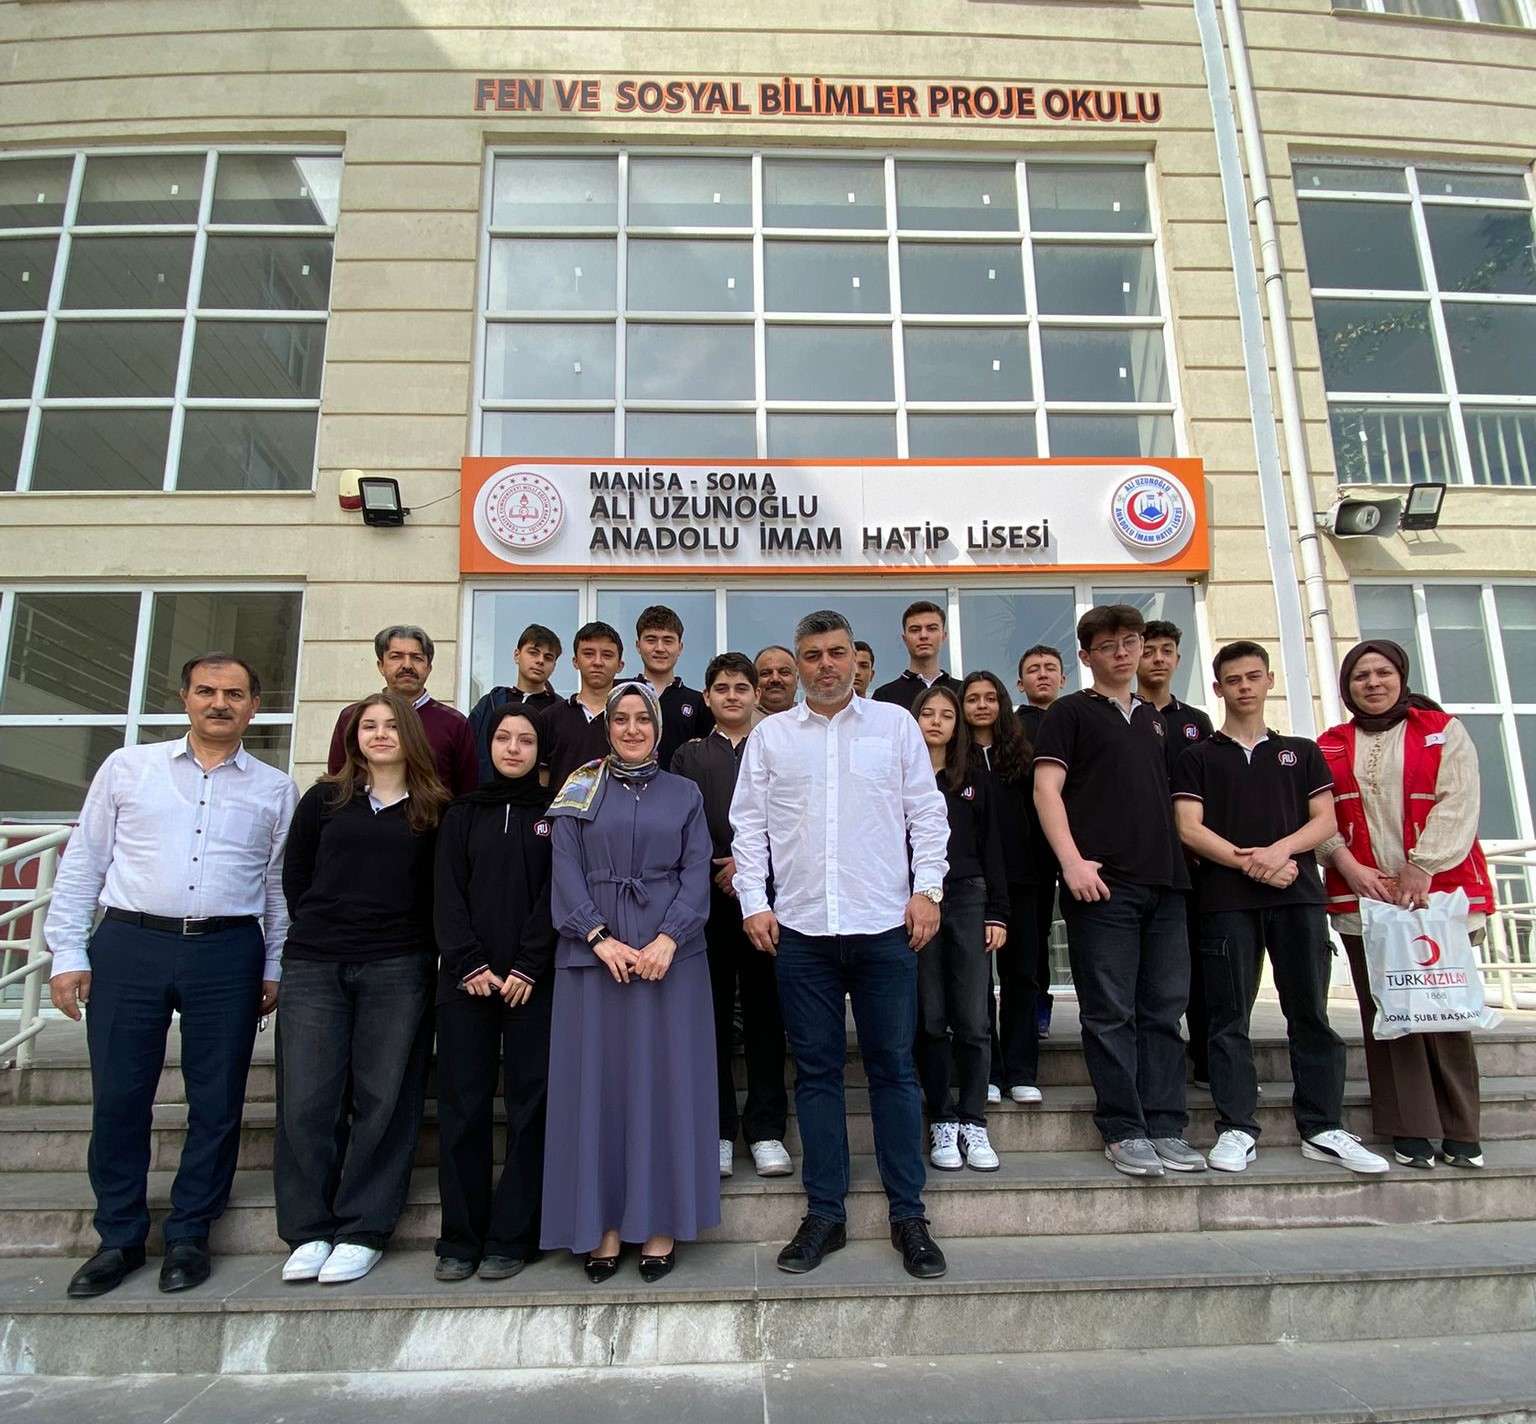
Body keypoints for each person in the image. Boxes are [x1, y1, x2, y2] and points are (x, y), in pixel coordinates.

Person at [46, 653, 296, 1300]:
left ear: (253, 706)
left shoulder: (274, 789)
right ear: (184, 697)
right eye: (207, 691)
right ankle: (119, 1236)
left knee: (216, 1100)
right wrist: (68, 952)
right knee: (121, 1095)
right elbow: (84, 863)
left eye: (234, 694)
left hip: (227, 949)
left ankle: (189, 1233)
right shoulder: (128, 768)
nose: (220, 703)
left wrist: (273, 965)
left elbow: (277, 888)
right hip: (130, 943)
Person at [732, 610, 950, 1280]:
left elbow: (926, 813)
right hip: (801, 932)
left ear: (856, 659)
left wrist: (928, 889)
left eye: (835, 653)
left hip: (885, 926)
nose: (825, 665)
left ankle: (909, 1216)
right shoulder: (770, 737)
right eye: (812, 655)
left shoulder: (895, 725)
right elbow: (748, 826)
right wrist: (754, 902)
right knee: (818, 1075)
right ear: (798, 664)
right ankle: (824, 1214)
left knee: (894, 1071)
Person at [1172, 642, 1388, 1175]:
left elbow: (1325, 822)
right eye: (1233, 680)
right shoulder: (1197, 757)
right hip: (1225, 903)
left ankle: (1323, 1126)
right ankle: (1237, 1128)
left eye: (1253, 676)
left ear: (1269, 681)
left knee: (1310, 1013)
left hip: (1297, 897)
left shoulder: (1301, 752)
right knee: (1227, 1019)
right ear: (1218, 689)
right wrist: (1252, 863)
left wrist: (1279, 852)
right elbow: (1189, 828)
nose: (1244, 687)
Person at [541, 682, 718, 1282]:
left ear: (658, 728)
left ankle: (661, 1220)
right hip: (596, 958)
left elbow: (696, 868)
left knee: (666, 1086)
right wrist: (597, 937)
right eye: (622, 719)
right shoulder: (579, 787)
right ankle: (604, 1224)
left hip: (671, 959)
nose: (633, 729)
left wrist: (670, 937)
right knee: (600, 1088)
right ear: (608, 727)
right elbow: (564, 867)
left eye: (644, 719)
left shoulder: (685, 792)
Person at [275, 692, 449, 1286]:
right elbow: (296, 874)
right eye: (367, 726)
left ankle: (362, 1229)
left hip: (398, 965)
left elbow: (439, 889)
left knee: (385, 1098)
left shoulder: (434, 807)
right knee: (307, 1099)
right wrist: (320, 925)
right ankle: (308, 1229)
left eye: (390, 725)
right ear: (353, 738)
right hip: (316, 965)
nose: (378, 734)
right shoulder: (324, 799)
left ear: (410, 735)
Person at [1033, 605, 1202, 1179]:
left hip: (1166, 885)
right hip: (1103, 888)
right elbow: (1046, 791)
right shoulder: (1070, 713)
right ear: (1086, 656)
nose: (1124, 653)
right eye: (1109, 646)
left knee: (1163, 1011)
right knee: (1109, 1013)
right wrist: (1071, 863)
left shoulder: (1156, 720)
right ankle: (1124, 1128)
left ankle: (1166, 1125)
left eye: (1131, 641)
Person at [1317, 640, 1493, 1171]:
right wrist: (1347, 865)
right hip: (1367, 901)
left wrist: (1423, 865)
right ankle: (1410, 1129)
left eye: (1382, 673)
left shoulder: (1442, 730)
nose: (1372, 683)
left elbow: (1458, 802)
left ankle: (1461, 1130)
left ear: (1401, 676)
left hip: (1434, 898)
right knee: (1387, 1014)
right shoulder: (1331, 744)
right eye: (1360, 676)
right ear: (1347, 687)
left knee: (1445, 1010)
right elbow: (1319, 817)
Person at [432, 706, 557, 1282]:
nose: (513, 748)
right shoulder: (461, 813)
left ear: (539, 751)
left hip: (534, 983)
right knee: (463, 1108)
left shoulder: (557, 816)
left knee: (531, 1107)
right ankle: (461, 1239)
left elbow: (558, 894)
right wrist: (469, 963)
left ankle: (513, 1235)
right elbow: (446, 894)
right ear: (489, 745)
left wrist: (528, 965)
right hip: (468, 983)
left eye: (525, 740)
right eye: (503, 738)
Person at [671, 653, 792, 1182]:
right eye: (722, 688)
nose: (733, 696)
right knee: (712, 1015)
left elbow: (792, 815)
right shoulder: (689, 754)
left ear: (756, 694)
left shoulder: (778, 745)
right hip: (707, 900)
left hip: (768, 900)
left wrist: (747, 865)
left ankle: (766, 1130)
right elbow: (679, 822)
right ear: (707, 698)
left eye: (742, 687)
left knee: (766, 1014)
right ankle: (717, 1129)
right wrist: (718, 867)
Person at [913, 684, 1009, 1173]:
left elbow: (994, 847)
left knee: (973, 1018)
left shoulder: (974, 778)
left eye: (946, 715)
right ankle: (942, 1119)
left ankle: (974, 1119)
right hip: (917, 902)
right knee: (930, 1016)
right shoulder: (900, 777)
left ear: (958, 725)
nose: (936, 721)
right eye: (927, 713)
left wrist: (998, 912)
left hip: (969, 898)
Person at [1138, 619, 1217, 1088]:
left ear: (1178, 659)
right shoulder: (1121, 715)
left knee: (1198, 964)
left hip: (1192, 861)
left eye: (1166, 650)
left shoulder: (1195, 722)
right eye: (1149, 650)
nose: (1158, 659)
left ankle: (1204, 1058)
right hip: (1141, 861)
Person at [963, 670, 1046, 1107]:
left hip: (1023, 879)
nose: (982, 705)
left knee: (1022, 976)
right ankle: (988, 1071)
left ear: (1001, 704)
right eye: (972, 698)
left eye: (990, 698)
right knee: (977, 982)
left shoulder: (1023, 756)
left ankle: (1021, 1070)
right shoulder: (955, 760)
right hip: (973, 884)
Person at [327, 625, 477, 797]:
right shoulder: (353, 717)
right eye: (396, 657)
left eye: (416, 658)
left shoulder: (454, 723)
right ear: (381, 666)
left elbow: (467, 793)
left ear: (429, 667)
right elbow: (337, 782)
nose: (407, 665)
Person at [1014, 643, 1066, 1041]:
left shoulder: (1078, 718)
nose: (1042, 674)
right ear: (1020, 683)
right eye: (1034, 669)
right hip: (1030, 848)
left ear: (1063, 678)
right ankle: (1032, 1008)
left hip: (1082, 847)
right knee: (1033, 934)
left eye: (1050, 668)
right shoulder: (1013, 727)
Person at [465, 623, 563, 784]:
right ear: (517, 655)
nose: (540, 661)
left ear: (554, 666)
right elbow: (466, 753)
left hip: (540, 798)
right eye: (533, 653)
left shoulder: (560, 711)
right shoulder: (490, 704)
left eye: (548, 657)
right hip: (489, 794)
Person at [543, 621, 626, 790]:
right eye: (588, 654)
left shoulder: (632, 721)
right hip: (560, 808)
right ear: (575, 661)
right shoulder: (550, 717)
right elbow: (543, 779)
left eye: (607, 655)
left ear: (620, 665)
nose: (598, 662)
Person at [635, 604, 714, 770]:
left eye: (668, 641)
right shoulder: (622, 692)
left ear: (680, 647)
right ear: (638, 646)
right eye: (651, 640)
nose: (659, 648)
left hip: (681, 785)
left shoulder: (698, 702)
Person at [872, 600, 961, 712]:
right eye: (915, 630)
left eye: (932, 628)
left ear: (944, 636)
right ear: (905, 639)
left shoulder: (963, 691)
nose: (923, 635)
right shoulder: (884, 696)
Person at [754, 644, 799, 716]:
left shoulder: (812, 718)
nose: (775, 679)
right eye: (765, 673)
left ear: (797, 680)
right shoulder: (741, 720)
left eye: (784, 672)